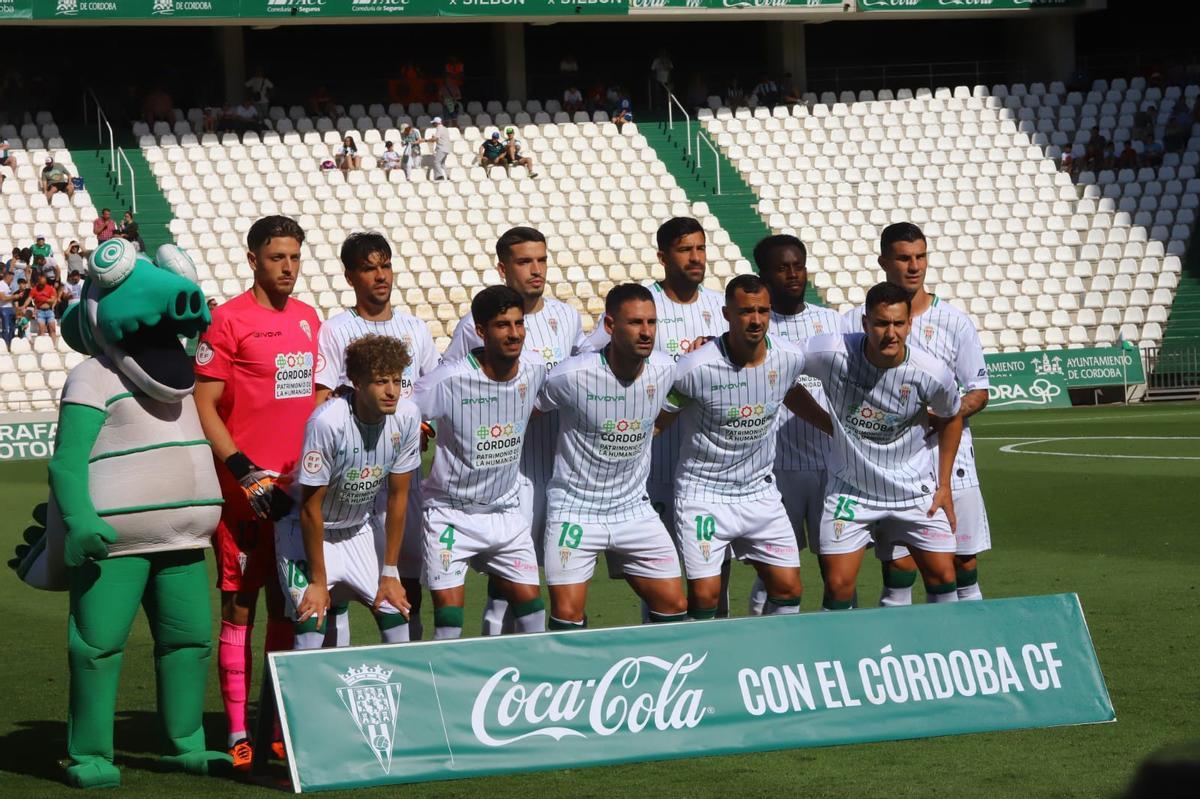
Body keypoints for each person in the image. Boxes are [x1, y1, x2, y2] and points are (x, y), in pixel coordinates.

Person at [193, 215, 321, 770]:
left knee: (287, 611)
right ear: (253, 260)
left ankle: (274, 724)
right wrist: (246, 472)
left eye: (294, 256)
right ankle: (238, 731)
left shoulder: (310, 320)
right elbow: (203, 405)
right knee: (239, 607)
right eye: (277, 258)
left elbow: (315, 402)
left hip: (297, 496)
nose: (288, 267)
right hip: (245, 493)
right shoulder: (226, 321)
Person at [584, 217, 730, 616]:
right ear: (663, 257)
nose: (696, 257)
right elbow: (588, 356)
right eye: (685, 250)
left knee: (715, 576)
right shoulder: (641, 305)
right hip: (651, 462)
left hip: (709, 469)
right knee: (661, 581)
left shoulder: (721, 307)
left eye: (700, 248)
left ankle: (718, 647)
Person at [657, 274, 824, 619]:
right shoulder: (693, 368)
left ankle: (767, 659)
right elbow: (659, 420)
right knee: (705, 598)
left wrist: (832, 427)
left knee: (789, 590)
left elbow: (790, 392)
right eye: (746, 311)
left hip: (759, 494)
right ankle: (704, 667)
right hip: (702, 495)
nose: (756, 320)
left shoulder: (789, 357)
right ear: (727, 314)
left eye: (763, 311)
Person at [445, 227, 585, 635]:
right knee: (508, 584)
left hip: (562, 471)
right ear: (503, 268)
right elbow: (449, 386)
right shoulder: (475, 328)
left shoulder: (566, 318)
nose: (536, 270)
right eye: (525, 262)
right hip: (510, 475)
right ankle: (498, 660)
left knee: (565, 575)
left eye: (541, 259)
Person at [845, 223, 991, 605]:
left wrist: (944, 412)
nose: (914, 266)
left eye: (920, 257)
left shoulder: (955, 322)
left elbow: (978, 391)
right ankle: (905, 656)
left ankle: (968, 650)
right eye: (904, 258)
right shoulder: (857, 322)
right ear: (884, 262)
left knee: (962, 563)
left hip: (952, 458)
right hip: (893, 466)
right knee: (900, 566)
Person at [537, 283, 688, 629]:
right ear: (610, 325)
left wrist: (654, 429)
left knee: (675, 605)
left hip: (634, 508)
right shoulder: (570, 376)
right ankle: (578, 677)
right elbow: (527, 410)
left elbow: (678, 399)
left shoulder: (665, 369)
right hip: (575, 508)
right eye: (635, 323)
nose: (646, 332)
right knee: (567, 615)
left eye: (651, 322)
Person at [314, 232, 438, 641]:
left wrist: (419, 421)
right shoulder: (335, 330)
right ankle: (336, 659)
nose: (380, 276)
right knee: (344, 581)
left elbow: (428, 393)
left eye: (385, 265)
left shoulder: (415, 328)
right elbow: (322, 398)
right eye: (369, 268)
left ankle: (413, 656)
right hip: (352, 478)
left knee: (407, 573)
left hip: (403, 476)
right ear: (351, 277)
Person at [809, 281, 963, 610]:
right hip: (851, 489)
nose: (890, 332)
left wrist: (945, 484)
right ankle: (837, 656)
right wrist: (825, 421)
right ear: (865, 323)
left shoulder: (931, 372)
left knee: (944, 577)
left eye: (898, 323)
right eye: (881, 323)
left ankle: (945, 648)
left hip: (913, 488)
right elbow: (776, 360)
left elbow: (952, 417)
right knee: (837, 585)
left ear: (910, 324)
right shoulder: (830, 352)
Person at [413, 285, 548, 641]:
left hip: (506, 511)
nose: (514, 333)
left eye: (519, 324)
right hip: (449, 513)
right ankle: (446, 690)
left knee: (533, 612)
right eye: (503, 325)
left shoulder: (535, 368)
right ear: (480, 329)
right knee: (449, 621)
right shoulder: (448, 380)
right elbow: (401, 413)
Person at [277, 335, 421, 650]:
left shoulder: (408, 416)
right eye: (381, 381)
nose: (392, 391)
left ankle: (403, 698)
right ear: (356, 381)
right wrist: (317, 581)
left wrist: (391, 572)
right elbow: (309, 509)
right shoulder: (327, 422)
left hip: (359, 529)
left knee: (395, 614)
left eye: (397, 380)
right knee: (311, 621)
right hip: (307, 533)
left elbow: (398, 498)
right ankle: (298, 699)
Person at [744, 235, 843, 615]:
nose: (792, 274)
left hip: (831, 465)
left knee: (836, 568)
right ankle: (763, 640)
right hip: (774, 469)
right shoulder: (756, 326)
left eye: (797, 265)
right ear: (764, 274)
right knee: (773, 571)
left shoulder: (831, 322)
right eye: (781, 267)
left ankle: (836, 642)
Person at [29, 272, 58, 343]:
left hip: (49, 311)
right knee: (42, 330)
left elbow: (53, 300)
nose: (42, 285)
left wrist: (43, 299)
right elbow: (29, 299)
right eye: (41, 284)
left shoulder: (50, 289)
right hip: (40, 311)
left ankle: (53, 345)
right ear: (38, 282)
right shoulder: (34, 289)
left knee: (52, 329)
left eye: (44, 284)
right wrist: (23, 306)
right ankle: (41, 345)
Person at [426, 116, 451, 181]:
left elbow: (435, 138)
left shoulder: (439, 128)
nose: (433, 124)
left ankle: (440, 176)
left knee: (436, 162)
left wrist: (427, 140)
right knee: (442, 163)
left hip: (441, 148)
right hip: (447, 148)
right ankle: (447, 175)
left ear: (436, 123)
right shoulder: (445, 128)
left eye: (434, 123)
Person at [0, 270, 15, 348]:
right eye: (11, 278)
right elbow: (2, 298)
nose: (12, 280)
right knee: (6, 328)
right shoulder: (1, 284)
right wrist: (14, 296)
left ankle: (11, 345)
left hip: (10, 308)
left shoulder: (8, 285)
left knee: (12, 328)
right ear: (7, 276)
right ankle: (6, 345)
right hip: (4, 308)